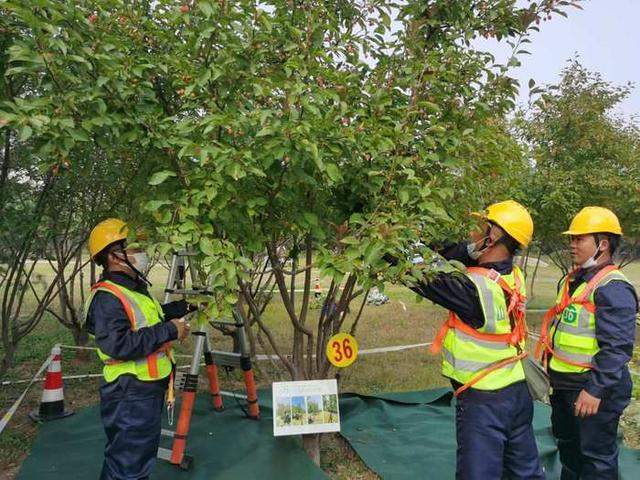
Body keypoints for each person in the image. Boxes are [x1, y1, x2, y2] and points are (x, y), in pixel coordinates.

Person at [387, 200, 543, 479]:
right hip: (517, 392)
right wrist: (471, 249)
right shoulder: (512, 276)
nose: (473, 232)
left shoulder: (473, 290)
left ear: (492, 237)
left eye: (482, 226)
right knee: (525, 472)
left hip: (484, 400)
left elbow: (419, 273)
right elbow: (453, 254)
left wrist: (383, 238)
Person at [85, 218, 191, 480]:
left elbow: (148, 320)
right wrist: (170, 331)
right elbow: (118, 344)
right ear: (114, 256)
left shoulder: (131, 289)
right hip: (130, 392)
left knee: (130, 460)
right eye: (133, 248)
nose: (141, 253)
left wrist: (183, 308)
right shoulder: (108, 297)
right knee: (129, 466)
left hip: (142, 390)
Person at [536, 206, 638, 479]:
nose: (572, 245)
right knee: (570, 453)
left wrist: (595, 390)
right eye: (572, 238)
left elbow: (617, 348)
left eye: (579, 239)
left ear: (603, 245)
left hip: (593, 391)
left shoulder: (613, 287)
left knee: (596, 460)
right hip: (566, 386)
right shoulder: (573, 280)